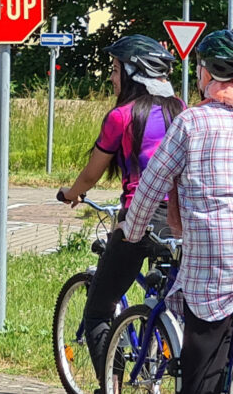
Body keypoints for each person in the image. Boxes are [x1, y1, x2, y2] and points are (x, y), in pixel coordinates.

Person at [119, 29, 233, 394]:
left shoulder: (192, 123)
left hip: (219, 260)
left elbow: (152, 185)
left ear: (208, 75)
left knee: (204, 366)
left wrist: (131, 232)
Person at [58, 34, 185, 388]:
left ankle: (109, 386)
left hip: (139, 219)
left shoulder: (121, 117)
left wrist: (72, 193)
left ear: (132, 73)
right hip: (179, 221)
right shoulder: (181, 109)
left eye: (115, 70)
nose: (111, 79)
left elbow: (92, 173)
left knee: (99, 310)